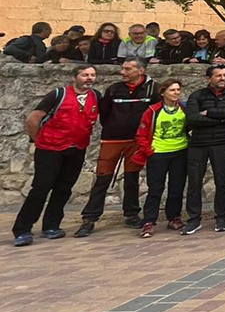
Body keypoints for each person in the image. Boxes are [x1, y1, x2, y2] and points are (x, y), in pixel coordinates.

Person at [12, 66, 101, 247]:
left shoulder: (96, 96)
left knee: (64, 188)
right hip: (50, 149)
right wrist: (38, 140)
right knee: (40, 188)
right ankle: (22, 229)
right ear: (74, 77)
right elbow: (33, 119)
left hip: (76, 148)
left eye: (92, 75)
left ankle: (51, 226)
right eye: (85, 75)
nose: (89, 78)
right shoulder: (58, 94)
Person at [75, 59, 158, 237]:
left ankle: (131, 213)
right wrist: (114, 128)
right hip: (112, 140)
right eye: (123, 68)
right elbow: (104, 113)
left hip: (136, 141)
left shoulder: (153, 89)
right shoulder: (114, 88)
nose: (123, 72)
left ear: (141, 70)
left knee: (132, 178)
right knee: (102, 179)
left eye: (128, 69)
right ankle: (89, 218)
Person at [182, 65, 225, 235]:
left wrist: (208, 112)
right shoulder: (197, 95)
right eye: (218, 76)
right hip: (198, 144)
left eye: (224, 75)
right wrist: (220, 119)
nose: (222, 78)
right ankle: (194, 219)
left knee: (222, 181)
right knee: (194, 182)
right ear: (209, 78)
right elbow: (192, 117)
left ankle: (221, 217)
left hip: (221, 143)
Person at [132, 79, 188, 238]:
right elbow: (141, 134)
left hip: (180, 151)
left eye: (178, 90)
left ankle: (174, 217)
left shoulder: (183, 108)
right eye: (172, 90)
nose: (176, 93)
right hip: (158, 154)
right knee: (155, 188)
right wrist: (149, 151)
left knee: (176, 187)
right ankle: (149, 220)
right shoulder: (152, 111)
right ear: (163, 92)